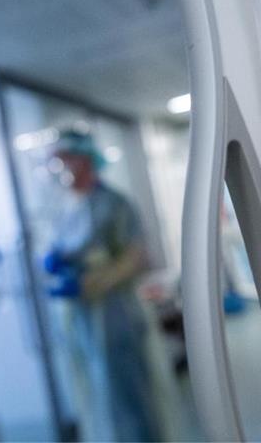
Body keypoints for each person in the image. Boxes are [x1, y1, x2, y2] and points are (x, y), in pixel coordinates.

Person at [44, 128, 163, 442]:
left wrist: (90, 282)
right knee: (92, 396)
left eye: (67, 159)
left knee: (127, 397)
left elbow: (137, 258)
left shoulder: (115, 204)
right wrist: (57, 263)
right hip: (78, 319)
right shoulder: (63, 205)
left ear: (85, 160)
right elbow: (65, 248)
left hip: (115, 317)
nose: (62, 167)